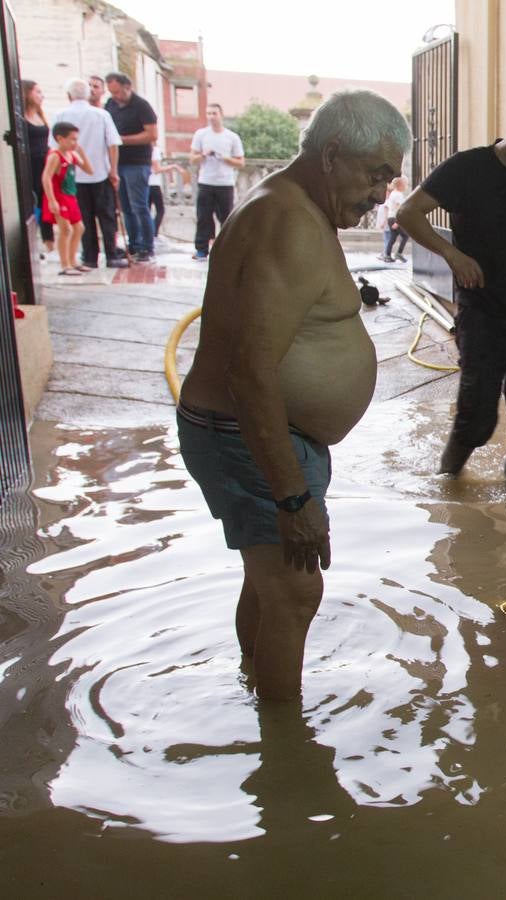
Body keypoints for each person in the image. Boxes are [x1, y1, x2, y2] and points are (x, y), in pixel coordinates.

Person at [176, 90, 410, 701]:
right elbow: (249, 373)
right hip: (250, 436)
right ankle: (285, 756)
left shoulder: (287, 205)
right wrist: (293, 495)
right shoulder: (288, 222)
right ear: (333, 154)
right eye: (376, 175)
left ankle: (255, 689)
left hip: (256, 434)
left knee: (267, 583)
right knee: (294, 591)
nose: (383, 195)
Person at [397, 104, 506, 488]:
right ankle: (444, 486)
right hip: (480, 311)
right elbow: (408, 213)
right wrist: (452, 256)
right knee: (477, 416)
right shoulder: (466, 168)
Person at [50, 78, 125, 269]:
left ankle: (90, 256)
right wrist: (113, 170)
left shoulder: (60, 115)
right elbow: (113, 144)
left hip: (73, 177)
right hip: (100, 172)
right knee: (106, 215)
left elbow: (53, 148)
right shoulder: (101, 115)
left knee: (83, 217)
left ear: (69, 96)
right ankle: (111, 255)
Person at [104, 72, 159, 262]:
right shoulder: (110, 105)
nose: (115, 96)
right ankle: (134, 244)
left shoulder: (142, 106)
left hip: (137, 163)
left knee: (139, 206)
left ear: (128, 87)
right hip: (117, 163)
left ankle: (147, 247)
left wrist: (122, 140)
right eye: (111, 92)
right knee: (126, 208)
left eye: (118, 92)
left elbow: (151, 135)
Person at [189, 103, 245, 260]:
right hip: (206, 181)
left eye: (214, 113)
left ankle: (227, 249)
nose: (211, 117)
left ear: (221, 114)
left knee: (226, 219)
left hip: (225, 183)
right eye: (208, 113)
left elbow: (241, 163)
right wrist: (204, 155)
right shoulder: (201, 135)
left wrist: (225, 158)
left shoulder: (232, 137)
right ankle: (201, 249)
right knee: (203, 218)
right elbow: (192, 159)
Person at [42, 122, 93, 276]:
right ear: (60, 139)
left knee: (79, 228)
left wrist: (81, 152)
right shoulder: (54, 156)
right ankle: (65, 265)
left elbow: (89, 170)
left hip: (70, 195)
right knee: (66, 230)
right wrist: (52, 200)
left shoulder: (72, 155)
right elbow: (46, 177)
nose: (75, 143)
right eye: (72, 139)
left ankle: (73, 261)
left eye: (76, 139)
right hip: (58, 196)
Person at [21, 80, 54, 254]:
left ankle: (49, 243)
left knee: (47, 200)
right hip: (31, 164)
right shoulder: (21, 118)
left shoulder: (40, 116)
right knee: (35, 201)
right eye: (38, 92)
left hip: (45, 161)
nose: (42, 96)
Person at [148, 144, 182, 240]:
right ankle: (153, 232)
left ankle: (150, 232)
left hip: (147, 183)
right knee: (160, 210)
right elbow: (157, 169)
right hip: (154, 184)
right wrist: (173, 166)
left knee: (148, 209)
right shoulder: (155, 150)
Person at [378, 176, 409, 262]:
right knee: (405, 235)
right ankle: (398, 253)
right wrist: (398, 222)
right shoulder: (399, 195)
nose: (406, 187)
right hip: (395, 218)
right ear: (401, 185)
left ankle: (387, 255)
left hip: (390, 218)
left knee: (393, 237)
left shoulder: (393, 193)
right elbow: (398, 208)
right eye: (406, 185)